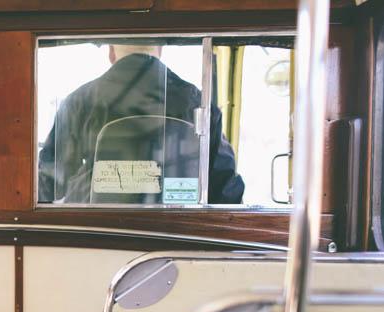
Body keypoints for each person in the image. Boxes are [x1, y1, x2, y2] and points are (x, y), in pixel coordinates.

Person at [38, 44, 245, 204]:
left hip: (96, 233)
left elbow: (51, 181)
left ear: (111, 52)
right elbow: (224, 187)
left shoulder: (80, 101)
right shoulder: (197, 102)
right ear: (160, 50)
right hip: (175, 232)